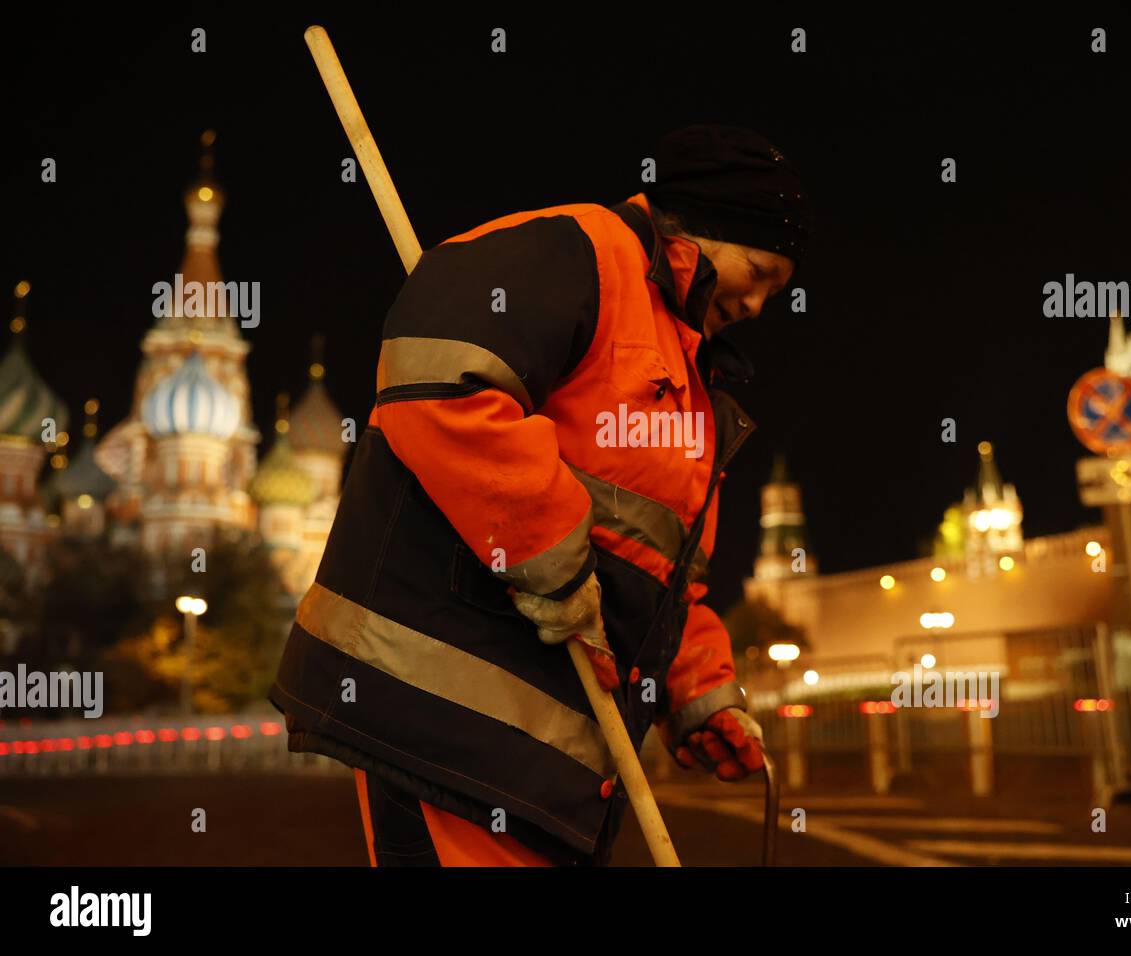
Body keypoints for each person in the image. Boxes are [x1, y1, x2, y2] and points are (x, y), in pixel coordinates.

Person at [269, 123, 810, 865]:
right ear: (710, 228)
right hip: (449, 727)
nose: (759, 306)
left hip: (542, 760)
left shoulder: (683, 368)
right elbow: (442, 380)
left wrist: (699, 692)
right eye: (762, 273)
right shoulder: (580, 252)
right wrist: (547, 554)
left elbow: (655, 568)